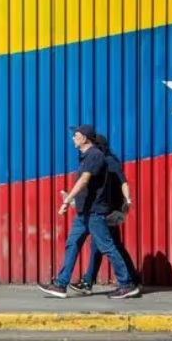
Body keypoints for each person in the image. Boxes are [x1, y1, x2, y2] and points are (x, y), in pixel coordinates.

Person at [38, 125, 140, 300]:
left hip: (94, 212)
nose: (73, 138)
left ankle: (126, 284)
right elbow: (87, 187)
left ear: (85, 138)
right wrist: (72, 200)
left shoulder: (95, 155)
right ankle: (61, 285)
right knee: (72, 244)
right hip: (83, 212)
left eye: (76, 135)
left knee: (107, 246)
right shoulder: (87, 157)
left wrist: (68, 199)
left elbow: (85, 180)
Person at [69, 133, 140, 294]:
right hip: (106, 209)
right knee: (106, 245)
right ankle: (91, 281)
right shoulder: (100, 160)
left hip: (110, 210)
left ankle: (129, 281)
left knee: (107, 246)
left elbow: (123, 182)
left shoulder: (108, 161)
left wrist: (127, 201)